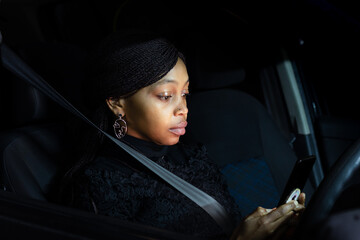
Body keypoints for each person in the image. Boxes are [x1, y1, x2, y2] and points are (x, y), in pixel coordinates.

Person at [60, 30, 305, 240]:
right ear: (117, 103)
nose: (183, 108)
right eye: (166, 96)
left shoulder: (192, 156)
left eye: (185, 94)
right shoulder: (99, 184)